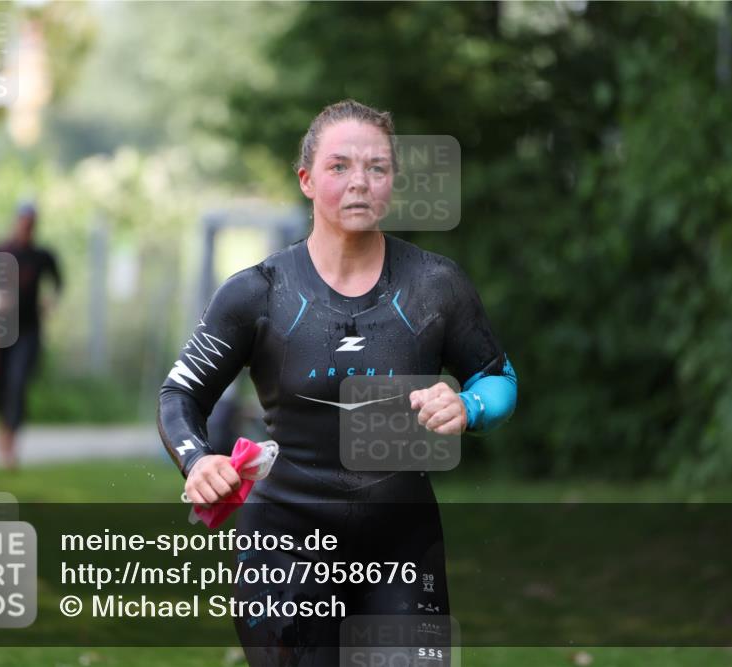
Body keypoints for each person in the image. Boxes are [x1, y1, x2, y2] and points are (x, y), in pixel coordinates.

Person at [158, 99, 517, 665]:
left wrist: (469, 406)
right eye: (339, 166)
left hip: (402, 548)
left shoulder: (435, 286)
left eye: (377, 167)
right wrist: (197, 460)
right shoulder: (258, 292)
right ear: (306, 179)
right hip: (283, 551)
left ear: (393, 182)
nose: (360, 182)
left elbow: (498, 379)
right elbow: (181, 394)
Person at [0, 201, 62, 470]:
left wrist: (50, 301)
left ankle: (10, 442)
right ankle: (3, 427)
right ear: (16, 222)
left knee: (18, 381)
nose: (27, 228)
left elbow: (58, 283)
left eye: (31, 223)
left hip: (28, 330)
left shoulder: (42, 256)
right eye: (24, 222)